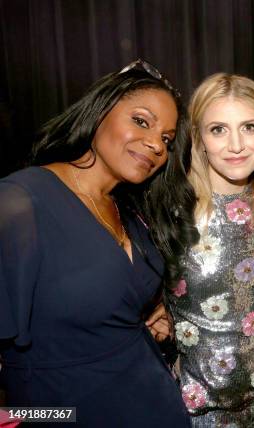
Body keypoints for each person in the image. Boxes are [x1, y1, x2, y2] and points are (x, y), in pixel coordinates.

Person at [0, 59, 196, 427]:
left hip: (153, 403)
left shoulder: (132, 212)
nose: (156, 144)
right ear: (100, 110)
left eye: (167, 140)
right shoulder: (20, 201)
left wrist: (151, 314)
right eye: (141, 121)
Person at [165, 73, 254, 427]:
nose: (236, 144)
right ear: (199, 139)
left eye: (249, 127)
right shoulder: (173, 211)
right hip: (194, 410)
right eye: (218, 129)